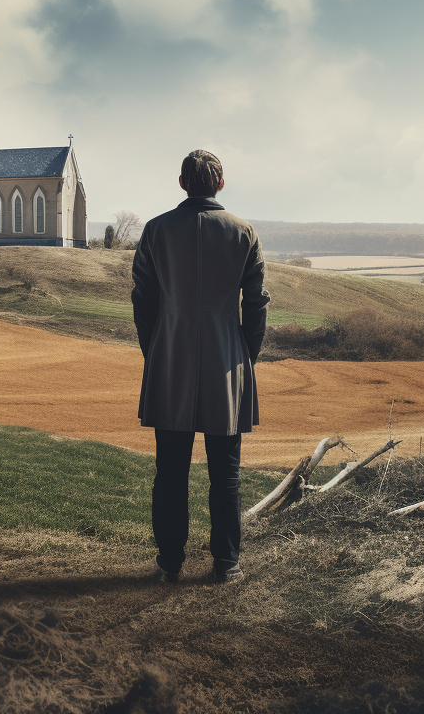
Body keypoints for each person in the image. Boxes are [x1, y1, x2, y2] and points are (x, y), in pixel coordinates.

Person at [131, 150, 269, 584]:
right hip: (227, 361)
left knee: (169, 471)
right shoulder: (243, 232)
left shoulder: (156, 230)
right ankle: (226, 564)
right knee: (225, 473)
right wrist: (245, 353)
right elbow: (257, 302)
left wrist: (154, 350)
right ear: (220, 185)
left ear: (181, 182)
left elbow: (142, 299)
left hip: (169, 357)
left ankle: (170, 562)